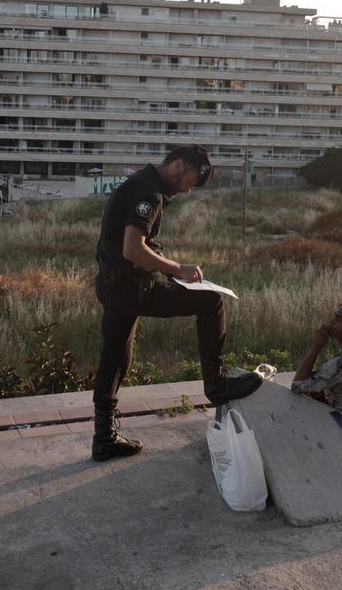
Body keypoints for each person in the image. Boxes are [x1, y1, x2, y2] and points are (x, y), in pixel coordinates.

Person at [91, 145, 262, 461]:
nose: (188, 190)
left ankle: (104, 437)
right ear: (179, 165)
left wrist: (164, 270)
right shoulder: (149, 192)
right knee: (211, 302)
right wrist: (177, 269)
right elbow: (132, 249)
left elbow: (126, 248)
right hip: (130, 287)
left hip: (114, 284)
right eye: (191, 181)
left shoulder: (141, 183)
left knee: (115, 357)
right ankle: (216, 384)